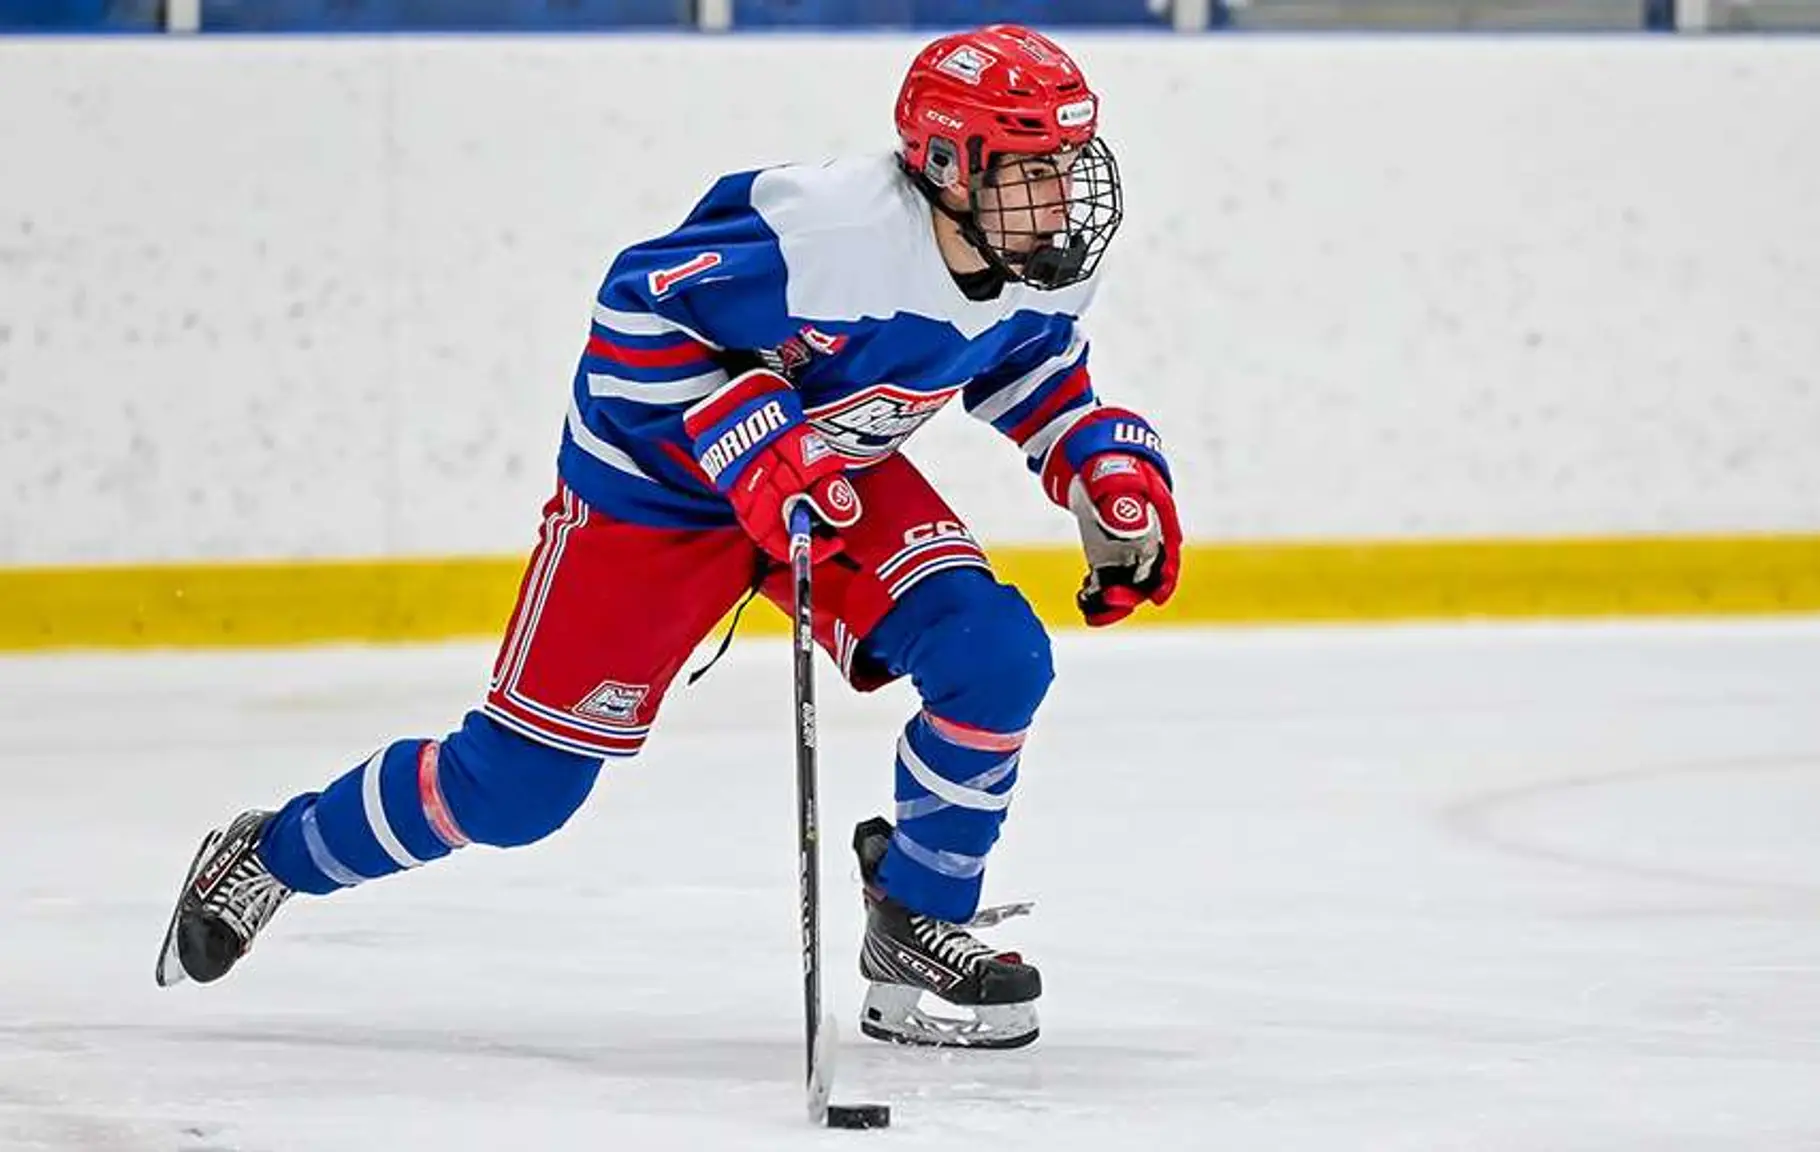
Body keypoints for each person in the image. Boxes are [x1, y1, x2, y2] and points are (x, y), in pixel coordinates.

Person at [153, 23, 1181, 1051]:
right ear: (949, 164)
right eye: (1032, 169)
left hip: (829, 481)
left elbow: (1020, 359)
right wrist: (744, 435)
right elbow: (632, 317)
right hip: (657, 498)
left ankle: (919, 920)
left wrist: (1100, 460)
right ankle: (275, 854)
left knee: (994, 658)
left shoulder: (1038, 253)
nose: (1064, 198)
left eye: (1068, 164)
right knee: (516, 792)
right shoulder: (823, 230)